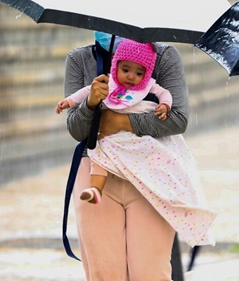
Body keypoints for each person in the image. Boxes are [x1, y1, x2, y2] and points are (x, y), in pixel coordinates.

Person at [64, 32, 215, 281]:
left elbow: (177, 119)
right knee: (105, 279)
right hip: (98, 172)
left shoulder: (164, 55)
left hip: (151, 173)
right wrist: (90, 106)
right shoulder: (80, 59)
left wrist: (124, 122)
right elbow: (76, 130)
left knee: (149, 277)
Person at [56, 39, 172, 204]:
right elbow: (85, 91)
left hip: (135, 132)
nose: (131, 76)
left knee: (152, 147)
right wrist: (68, 102)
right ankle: (96, 189)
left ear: (146, 74)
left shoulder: (149, 85)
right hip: (109, 136)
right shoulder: (108, 81)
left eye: (139, 73)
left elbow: (165, 93)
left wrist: (165, 105)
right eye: (125, 69)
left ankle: (159, 183)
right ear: (116, 66)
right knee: (99, 151)